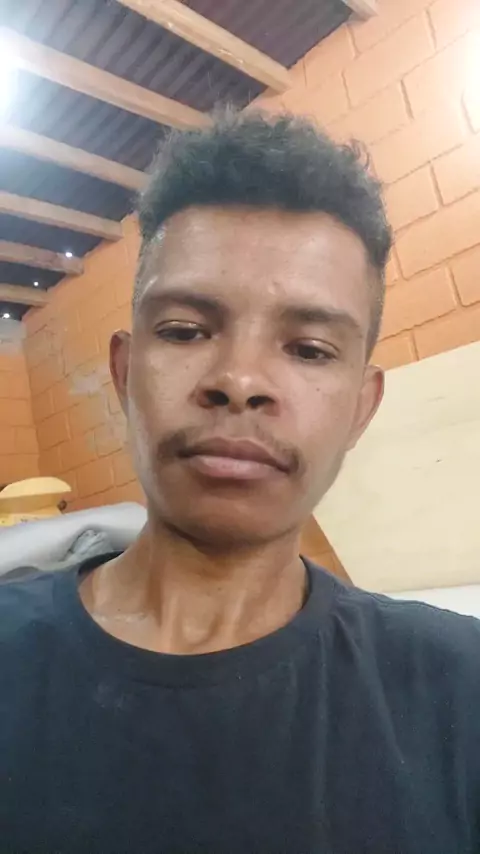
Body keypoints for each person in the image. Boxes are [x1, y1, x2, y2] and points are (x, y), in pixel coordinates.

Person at [1, 111, 479, 854]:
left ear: (361, 409)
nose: (239, 379)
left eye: (309, 348)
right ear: (125, 374)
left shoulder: (460, 688)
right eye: (186, 331)